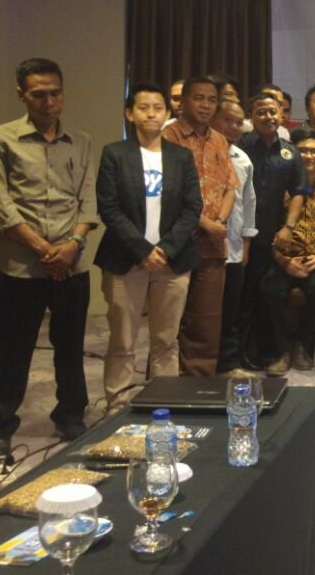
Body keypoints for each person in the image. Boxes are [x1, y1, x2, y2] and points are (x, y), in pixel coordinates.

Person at [0, 58, 98, 460]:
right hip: (19, 266)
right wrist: (45, 250)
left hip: (72, 263)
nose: (49, 102)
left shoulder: (81, 141)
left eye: (55, 93)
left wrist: (73, 244)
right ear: (22, 96)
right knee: (12, 349)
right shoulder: (0, 139)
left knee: (71, 346)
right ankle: (0, 426)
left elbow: (88, 201)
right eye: (38, 94)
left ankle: (70, 416)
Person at [94, 85, 201, 411]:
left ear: (167, 113)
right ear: (130, 113)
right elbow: (109, 208)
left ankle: (164, 403)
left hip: (172, 261)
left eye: (158, 107)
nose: (151, 113)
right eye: (143, 107)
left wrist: (165, 248)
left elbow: (192, 207)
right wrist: (142, 249)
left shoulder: (181, 157)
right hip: (126, 260)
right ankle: (118, 405)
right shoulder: (115, 154)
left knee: (166, 341)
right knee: (122, 340)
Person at [223, 91, 308, 373]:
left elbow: (299, 192)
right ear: (251, 116)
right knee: (235, 297)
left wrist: (289, 227)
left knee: (255, 296)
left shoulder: (290, 152)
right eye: (261, 112)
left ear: (281, 114)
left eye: (273, 111)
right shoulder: (241, 146)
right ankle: (230, 357)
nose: (268, 117)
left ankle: (247, 354)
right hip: (234, 233)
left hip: (267, 238)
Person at [162, 76, 238, 377]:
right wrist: (204, 222)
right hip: (176, 241)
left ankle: (199, 383)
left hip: (212, 244)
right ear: (183, 102)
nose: (206, 105)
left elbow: (230, 186)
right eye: (199, 98)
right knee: (169, 319)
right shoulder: (168, 137)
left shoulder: (219, 139)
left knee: (207, 320)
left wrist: (219, 221)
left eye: (211, 100)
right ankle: (166, 383)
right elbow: (168, 193)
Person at [260, 127, 315, 373]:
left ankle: (302, 344)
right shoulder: (279, 189)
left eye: (314, 151)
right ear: (294, 154)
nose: (308, 156)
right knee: (268, 289)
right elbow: (265, 232)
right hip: (283, 259)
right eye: (303, 151)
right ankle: (282, 349)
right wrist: (283, 261)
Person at [209, 99, 258, 374]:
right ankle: (198, 366)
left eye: (239, 122)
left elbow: (249, 205)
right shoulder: (197, 153)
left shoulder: (243, 159)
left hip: (234, 247)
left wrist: (246, 244)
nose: (234, 127)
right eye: (227, 120)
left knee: (230, 310)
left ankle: (228, 364)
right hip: (202, 245)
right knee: (201, 311)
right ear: (213, 119)